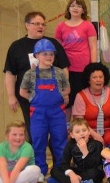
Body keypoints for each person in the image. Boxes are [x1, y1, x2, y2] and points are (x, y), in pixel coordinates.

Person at [4, 11, 69, 142]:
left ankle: (59, 161)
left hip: (53, 97)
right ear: (26, 25)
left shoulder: (54, 44)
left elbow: (64, 68)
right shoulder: (16, 46)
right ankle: (36, 161)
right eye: (36, 24)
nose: (41, 27)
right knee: (34, 132)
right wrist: (11, 96)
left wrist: (64, 93)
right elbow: (10, 73)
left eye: (43, 24)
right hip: (28, 98)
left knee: (57, 132)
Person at [19, 38, 70, 179]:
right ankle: (39, 171)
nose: (49, 57)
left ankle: (60, 169)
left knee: (60, 141)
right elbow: (22, 92)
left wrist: (61, 94)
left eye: (51, 54)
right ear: (36, 55)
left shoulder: (59, 73)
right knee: (38, 141)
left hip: (57, 112)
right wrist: (33, 98)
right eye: (45, 54)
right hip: (38, 113)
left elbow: (67, 89)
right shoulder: (30, 74)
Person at [54, 0, 97, 108]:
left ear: (83, 10)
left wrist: (92, 68)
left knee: (82, 101)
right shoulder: (61, 26)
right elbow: (57, 49)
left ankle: (81, 124)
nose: (75, 8)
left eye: (79, 6)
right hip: (66, 69)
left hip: (82, 69)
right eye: (72, 5)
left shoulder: (88, 25)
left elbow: (93, 47)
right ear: (68, 9)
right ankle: (68, 125)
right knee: (67, 101)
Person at [47, 118, 104, 183]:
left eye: (84, 130)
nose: (81, 133)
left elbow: (94, 165)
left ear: (89, 132)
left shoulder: (97, 144)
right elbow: (64, 163)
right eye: (77, 132)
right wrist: (72, 174)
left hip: (91, 172)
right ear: (72, 135)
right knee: (54, 170)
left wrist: (85, 151)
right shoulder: (70, 145)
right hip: (77, 172)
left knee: (97, 173)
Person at [72, 62, 110, 146]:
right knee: (93, 144)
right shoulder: (80, 96)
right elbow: (79, 122)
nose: (98, 80)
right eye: (94, 77)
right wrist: (94, 134)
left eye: (101, 77)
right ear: (88, 80)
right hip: (88, 132)